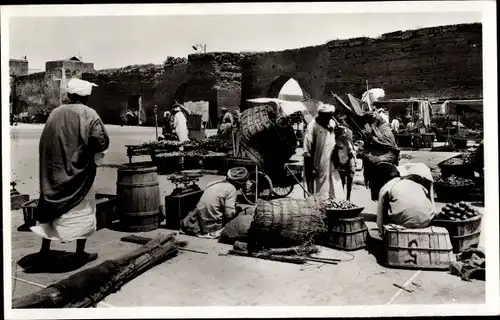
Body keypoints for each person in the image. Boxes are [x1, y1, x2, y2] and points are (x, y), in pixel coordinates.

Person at [31, 78, 110, 263]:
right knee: (83, 209)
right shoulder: (89, 114)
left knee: (50, 210)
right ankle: (80, 252)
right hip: (78, 174)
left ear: (69, 95)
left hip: (52, 172)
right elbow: (100, 141)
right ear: (86, 96)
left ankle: (44, 249)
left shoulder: (55, 112)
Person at [180, 167, 249, 236]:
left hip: (200, 221)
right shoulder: (231, 189)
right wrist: (237, 210)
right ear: (240, 182)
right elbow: (229, 214)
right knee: (245, 211)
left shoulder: (213, 183)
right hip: (213, 227)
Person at [376, 162, 436, 237]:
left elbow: (380, 214)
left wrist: (381, 232)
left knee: (390, 208)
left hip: (405, 223)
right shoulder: (414, 183)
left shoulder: (386, 187)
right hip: (427, 221)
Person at [303, 103, 345, 200]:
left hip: (332, 160)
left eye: (331, 115)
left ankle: (336, 202)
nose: (331, 118)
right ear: (321, 115)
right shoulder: (312, 126)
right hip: (319, 162)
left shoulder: (332, 124)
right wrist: (311, 167)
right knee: (321, 185)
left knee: (334, 181)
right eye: (328, 116)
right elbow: (307, 149)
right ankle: (321, 205)